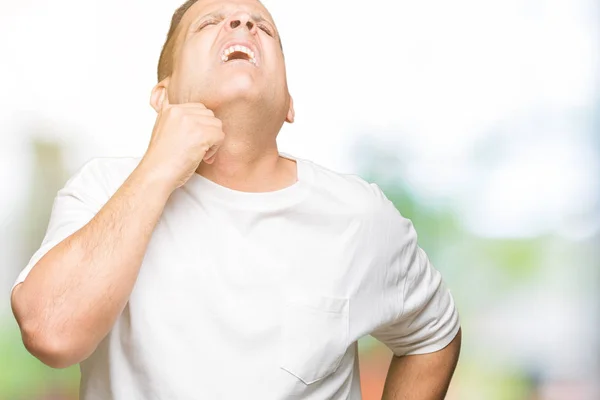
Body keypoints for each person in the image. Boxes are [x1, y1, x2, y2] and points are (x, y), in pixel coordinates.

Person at [10, 0, 462, 398]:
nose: (244, 23)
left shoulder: (361, 217)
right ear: (162, 95)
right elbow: (52, 332)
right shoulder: (103, 189)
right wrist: (158, 168)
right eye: (209, 24)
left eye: (263, 28)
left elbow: (434, 335)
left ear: (289, 103)